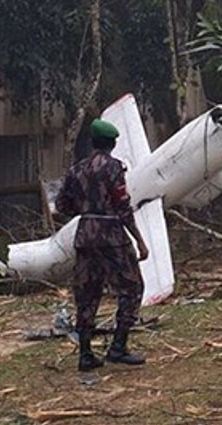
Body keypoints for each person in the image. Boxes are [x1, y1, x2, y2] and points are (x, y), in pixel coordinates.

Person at [55, 118, 149, 372]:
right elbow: (122, 205)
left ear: (93, 142)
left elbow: (61, 205)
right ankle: (118, 347)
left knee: (87, 293)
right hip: (111, 236)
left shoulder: (77, 170)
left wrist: (86, 211)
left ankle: (86, 354)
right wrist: (139, 240)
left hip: (85, 236)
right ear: (112, 143)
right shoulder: (114, 168)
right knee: (132, 287)